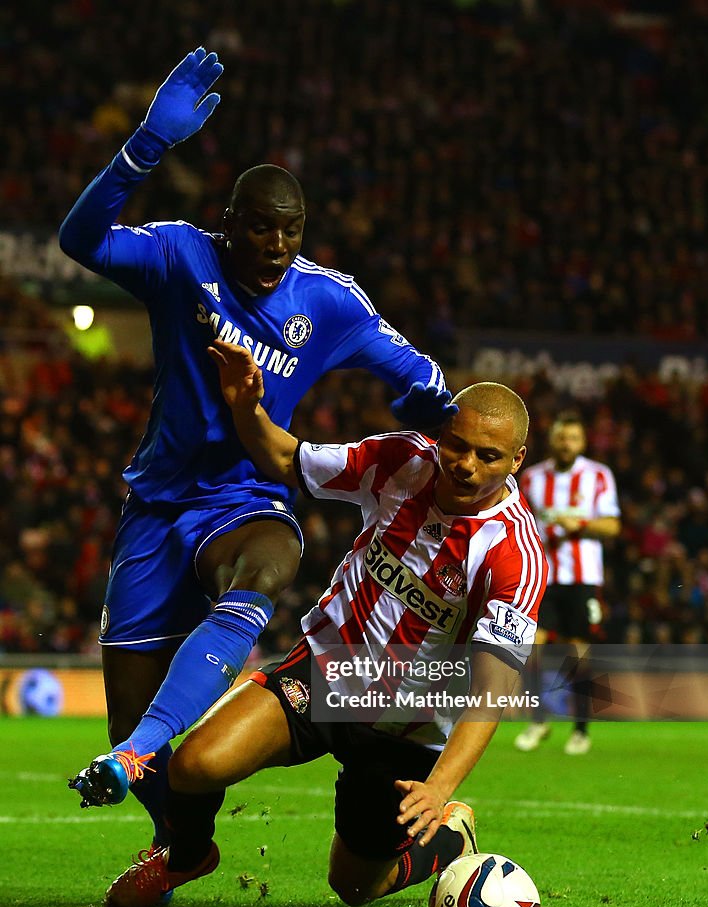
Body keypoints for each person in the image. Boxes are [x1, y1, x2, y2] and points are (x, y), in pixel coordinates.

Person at [61, 50, 453, 854]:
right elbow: (81, 240)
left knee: (268, 565)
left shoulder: (329, 300)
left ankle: (140, 757)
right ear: (229, 223)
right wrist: (144, 147)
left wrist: (436, 419)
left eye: (292, 228)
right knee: (132, 724)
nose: (277, 243)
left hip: (246, 499)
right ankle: (184, 842)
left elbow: (423, 379)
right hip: (155, 507)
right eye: (261, 226)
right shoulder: (179, 256)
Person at [93, 341, 547, 907]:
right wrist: (246, 408)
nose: (466, 464)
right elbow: (290, 461)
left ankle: (450, 837)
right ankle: (183, 855)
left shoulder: (514, 551)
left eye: (488, 455)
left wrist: (440, 788)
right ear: (441, 432)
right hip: (324, 671)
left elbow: (492, 689)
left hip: (403, 727)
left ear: (517, 460)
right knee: (195, 765)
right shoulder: (400, 461)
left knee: (355, 888)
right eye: (457, 444)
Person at [514, 413, 621, 755]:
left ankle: (581, 730)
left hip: (582, 578)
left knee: (578, 652)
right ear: (553, 440)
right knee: (532, 646)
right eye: (561, 437)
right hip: (542, 576)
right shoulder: (531, 478)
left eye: (573, 438)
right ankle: (538, 721)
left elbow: (612, 527)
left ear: (582, 442)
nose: (566, 444)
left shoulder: (598, 476)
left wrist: (580, 523)